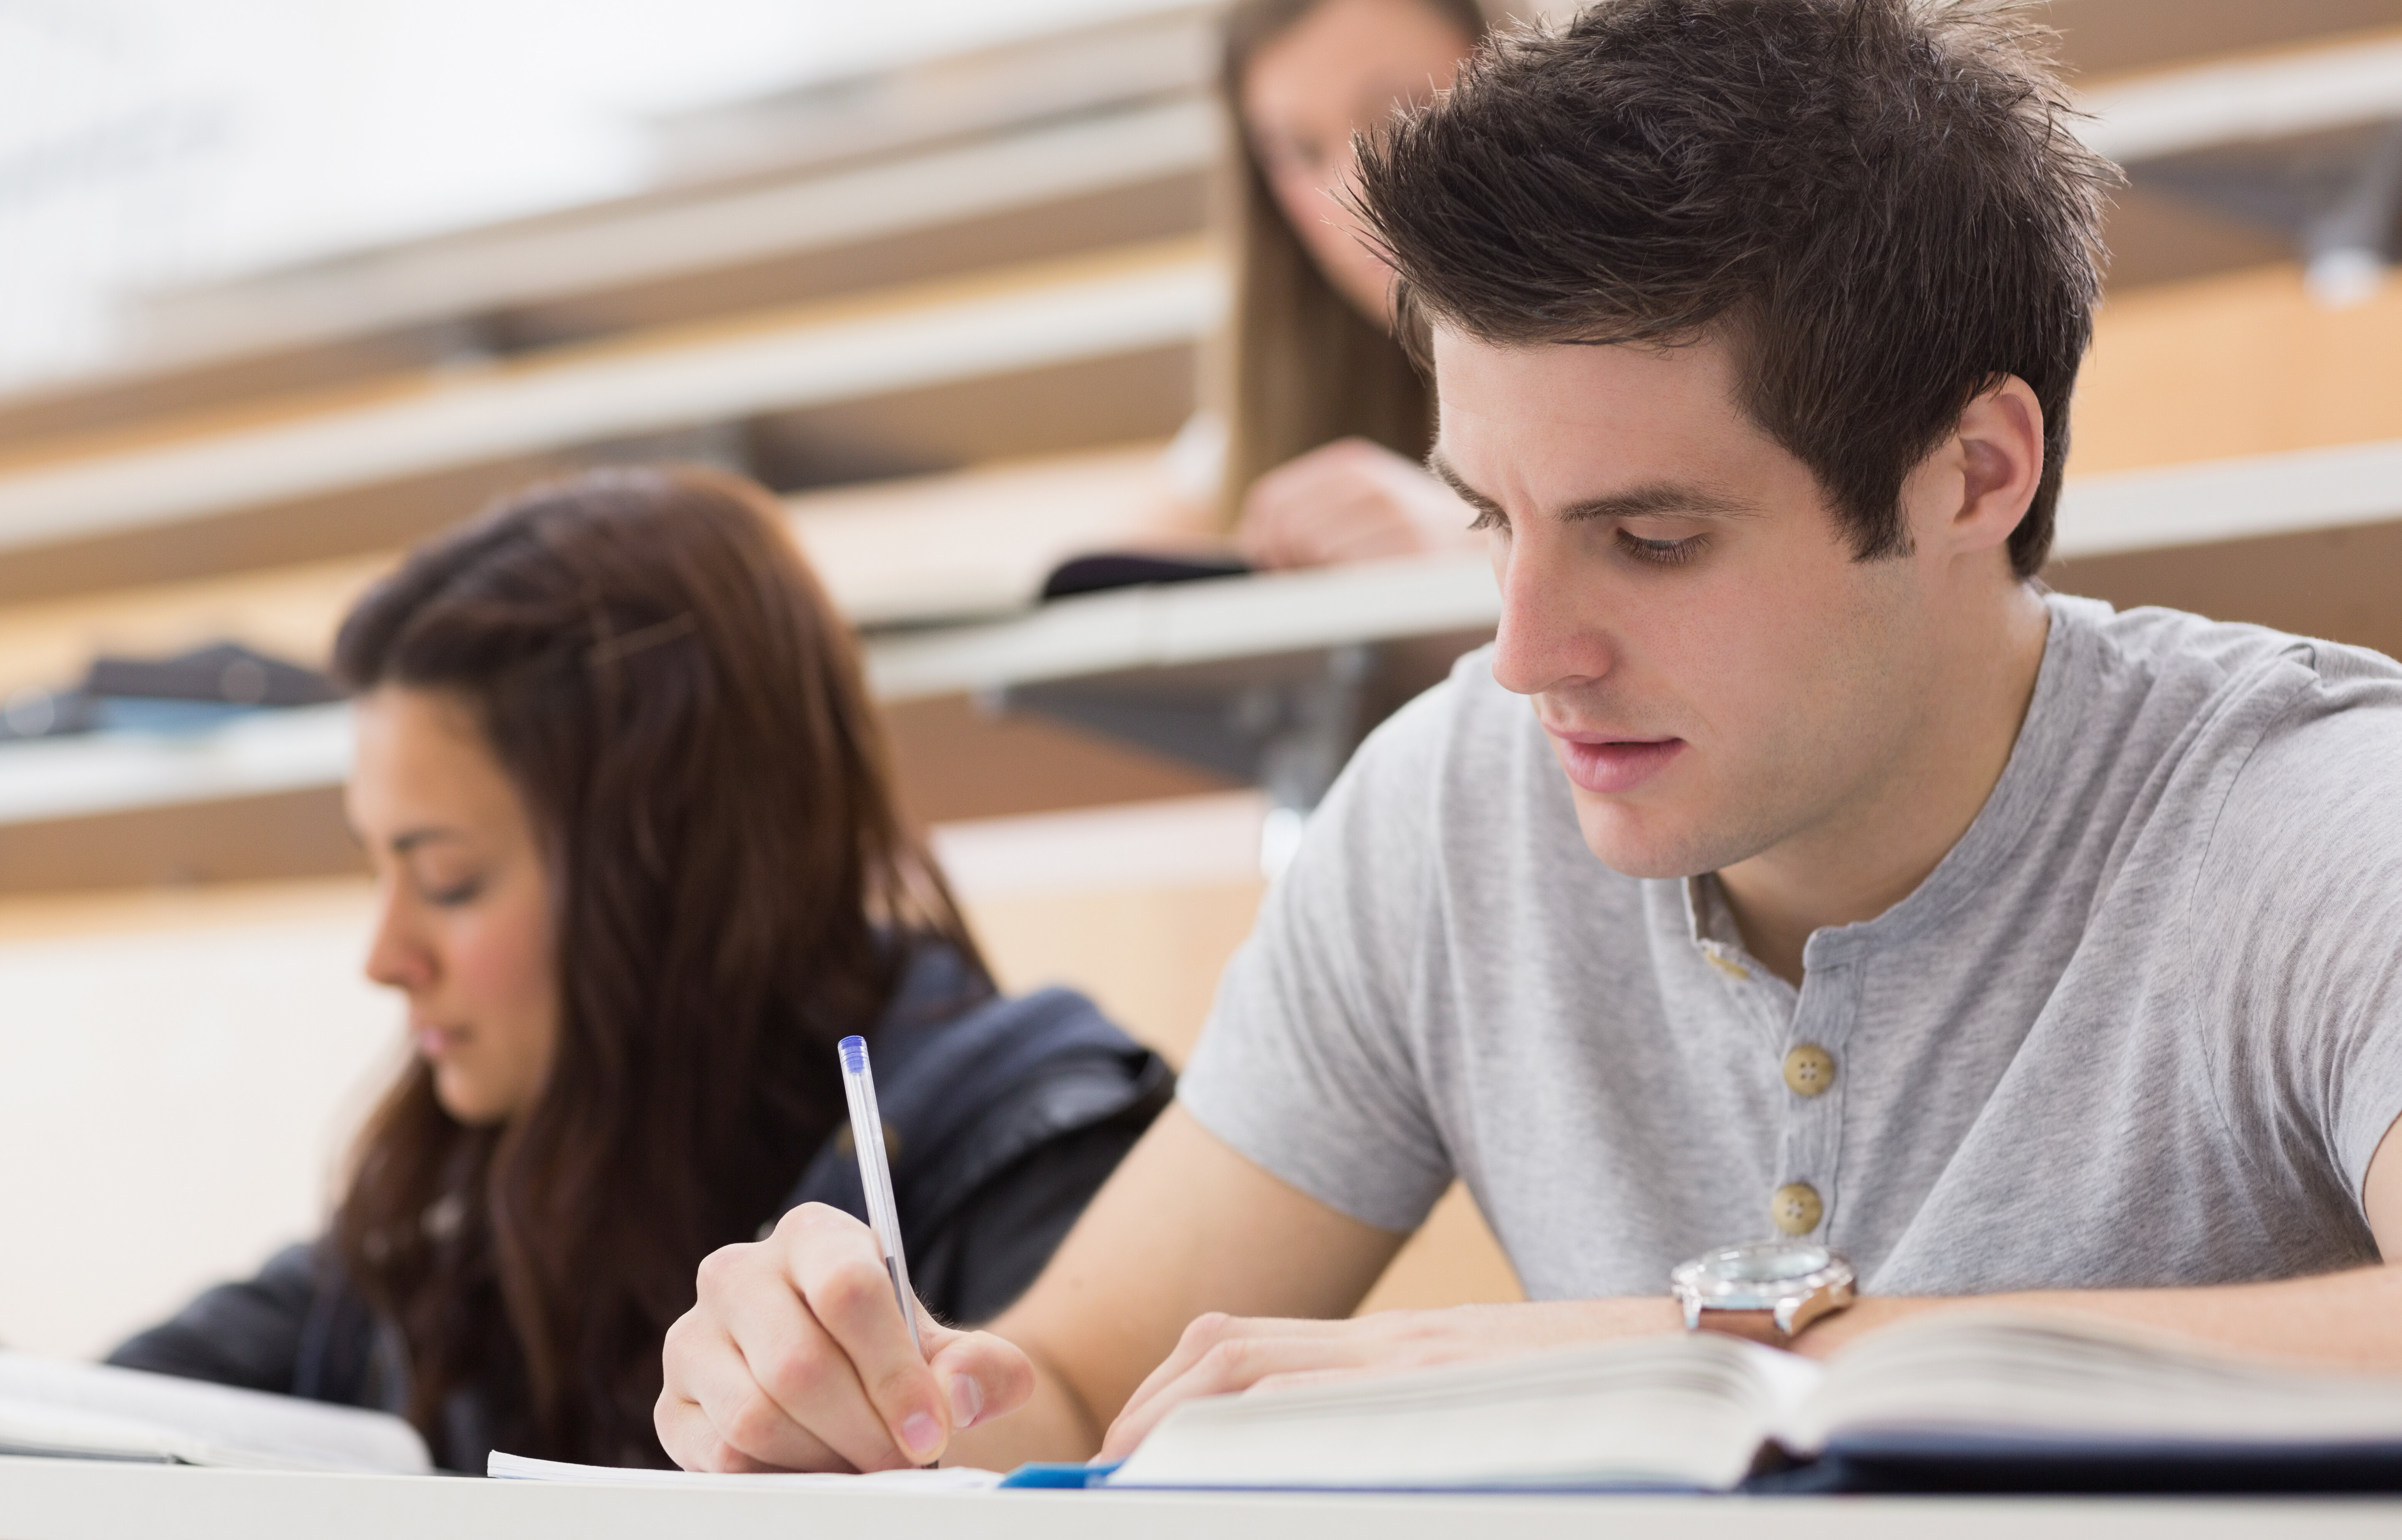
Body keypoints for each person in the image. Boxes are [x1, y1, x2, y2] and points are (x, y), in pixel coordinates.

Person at [654, 0, 2402, 1478]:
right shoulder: (1442, 812)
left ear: (1976, 472)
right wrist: (869, 1389)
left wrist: (1663, 1351)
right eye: (1490, 517)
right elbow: (1081, 1383)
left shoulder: (2317, 810)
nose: (1522, 653)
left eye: (1652, 539)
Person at [107, 467, 1170, 1472]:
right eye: (377, 868)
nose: (384, 959)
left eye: (449, 879)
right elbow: (85, 1411)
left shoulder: (1032, 1149)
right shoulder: (450, 1205)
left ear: (669, 871)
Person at [1175, 0, 1490, 570]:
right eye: (1300, 151)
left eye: (1405, 118)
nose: (1353, 198)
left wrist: (1475, 543)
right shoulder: (1283, 398)